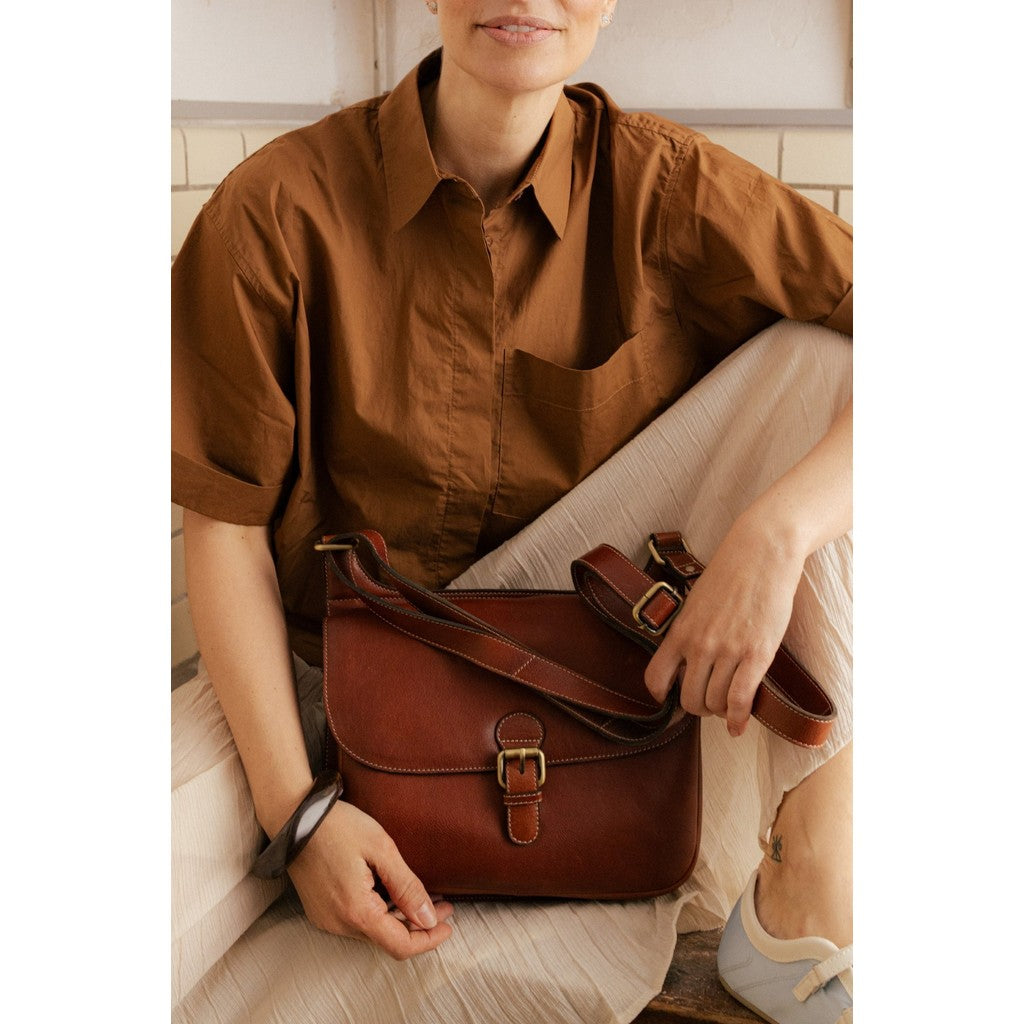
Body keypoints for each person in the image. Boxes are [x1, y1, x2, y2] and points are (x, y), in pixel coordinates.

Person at [171, 3, 852, 1022]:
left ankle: (809, 891)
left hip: (585, 677)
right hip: (315, 672)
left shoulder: (669, 189)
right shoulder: (273, 208)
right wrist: (298, 817)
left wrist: (775, 535)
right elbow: (224, 528)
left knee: (824, 361)